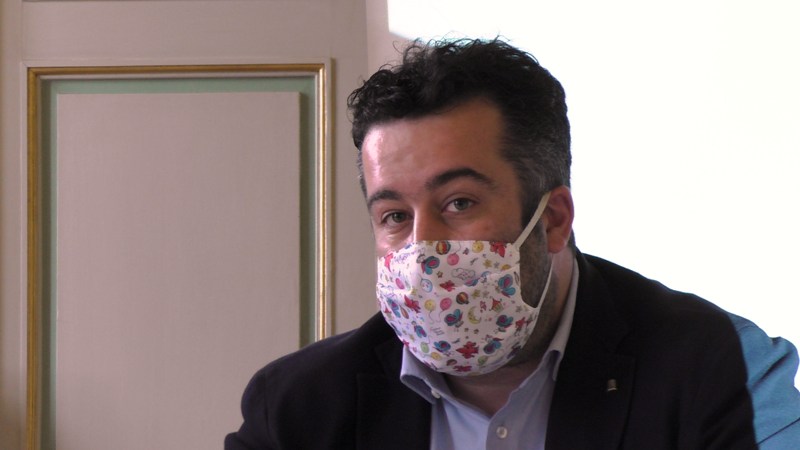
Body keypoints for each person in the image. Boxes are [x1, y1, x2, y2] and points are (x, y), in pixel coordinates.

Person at [225, 39, 800, 449]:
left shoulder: (722, 368)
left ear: (553, 219)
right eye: (395, 215)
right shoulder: (297, 408)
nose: (422, 250)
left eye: (459, 203)